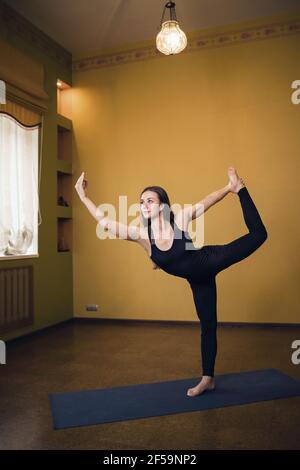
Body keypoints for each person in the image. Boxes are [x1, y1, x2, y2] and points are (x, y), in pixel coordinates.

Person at [75, 167, 268, 397]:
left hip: (209, 260)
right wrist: (83, 196)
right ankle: (208, 379)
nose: (144, 205)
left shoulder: (180, 219)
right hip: (198, 281)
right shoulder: (143, 237)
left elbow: (207, 201)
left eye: (150, 200)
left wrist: (229, 188)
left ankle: (241, 189)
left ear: (162, 206)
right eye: (141, 201)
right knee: (208, 327)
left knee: (258, 235)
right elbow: (105, 222)